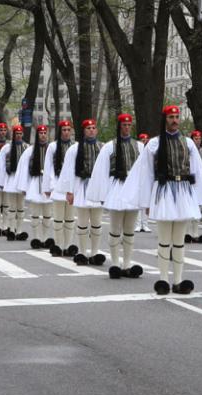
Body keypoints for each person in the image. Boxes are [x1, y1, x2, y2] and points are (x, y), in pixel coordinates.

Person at [121, 105, 202, 295]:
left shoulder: (188, 143)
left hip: (184, 191)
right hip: (163, 191)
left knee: (179, 241)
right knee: (164, 240)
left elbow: (197, 171)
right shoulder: (154, 144)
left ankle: (178, 280)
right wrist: (145, 201)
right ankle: (163, 280)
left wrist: (200, 197)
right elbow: (145, 174)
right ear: (165, 119)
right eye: (171, 117)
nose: (175, 120)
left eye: (177, 116)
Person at [87, 113, 145, 278]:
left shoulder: (139, 146)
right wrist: (103, 194)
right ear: (119, 126)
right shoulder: (109, 146)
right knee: (115, 229)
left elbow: (144, 171)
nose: (127, 128)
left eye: (129, 125)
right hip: (117, 188)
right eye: (124, 125)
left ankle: (127, 263)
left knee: (129, 230)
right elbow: (101, 171)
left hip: (132, 189)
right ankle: (115, 263)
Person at [55, 119, 105, 266]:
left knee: (96, 223)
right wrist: (69, 192)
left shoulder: (102, 147)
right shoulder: (75, 149)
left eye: (93, 128)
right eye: (88, 128)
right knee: (82, 222)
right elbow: (68, 171)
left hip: (97, 187)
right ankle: (83, 253)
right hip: (81, 186)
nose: (91, 130)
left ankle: (95, 253)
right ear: (83, 131)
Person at [15, 124, 54, 250]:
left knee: (48, 214)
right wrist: (24, 187)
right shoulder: (30, 151)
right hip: (34, 182)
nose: (43, 135)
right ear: (37, 135)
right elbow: (24, 169)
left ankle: (45, 238)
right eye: (40, 133)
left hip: (48, 183)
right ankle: (36, 238)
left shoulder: (52, 149)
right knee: (35, 214)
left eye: (44, 133)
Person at [43, 120, 78, 257]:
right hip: (57, 185)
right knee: (58, 219)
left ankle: (68, 246)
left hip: (71, 186)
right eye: (64, 130)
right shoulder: (52, 146)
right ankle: (58, 245)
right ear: (60, 131)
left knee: (69, 219)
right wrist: (49, 186)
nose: (66, 132)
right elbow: (48, 168)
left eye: (69, 130)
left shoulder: (75, 146)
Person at [0, 124, 29, 241]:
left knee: (21, 207)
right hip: (11, 179)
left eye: (20, 134)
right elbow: (0, 167)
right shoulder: (7, 148)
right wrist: (1, 181)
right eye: (16, 134)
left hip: (21, 180)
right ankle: (11, 229)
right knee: (12, 207)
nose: (18, 136)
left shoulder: (27, 147)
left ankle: (20, 230)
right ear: (13, 135)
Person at [185, 130, 202, 244]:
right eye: (196, 138)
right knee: (187, 208)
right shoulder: (186, 150)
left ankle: (195, 233)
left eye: (199, 139)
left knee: (197, 209)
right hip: (187, 182)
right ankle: (186, 233)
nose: (198, 141)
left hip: (199, 183)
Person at [135, 133, 153, 233]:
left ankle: (145, 224)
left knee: (146, 203)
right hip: (138, 179)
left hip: (146, 179)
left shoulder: (150, 152)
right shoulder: (138, 151)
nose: (144, 141)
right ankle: (138, 224)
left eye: (146, 139)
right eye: (143, 140)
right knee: (138, 204)